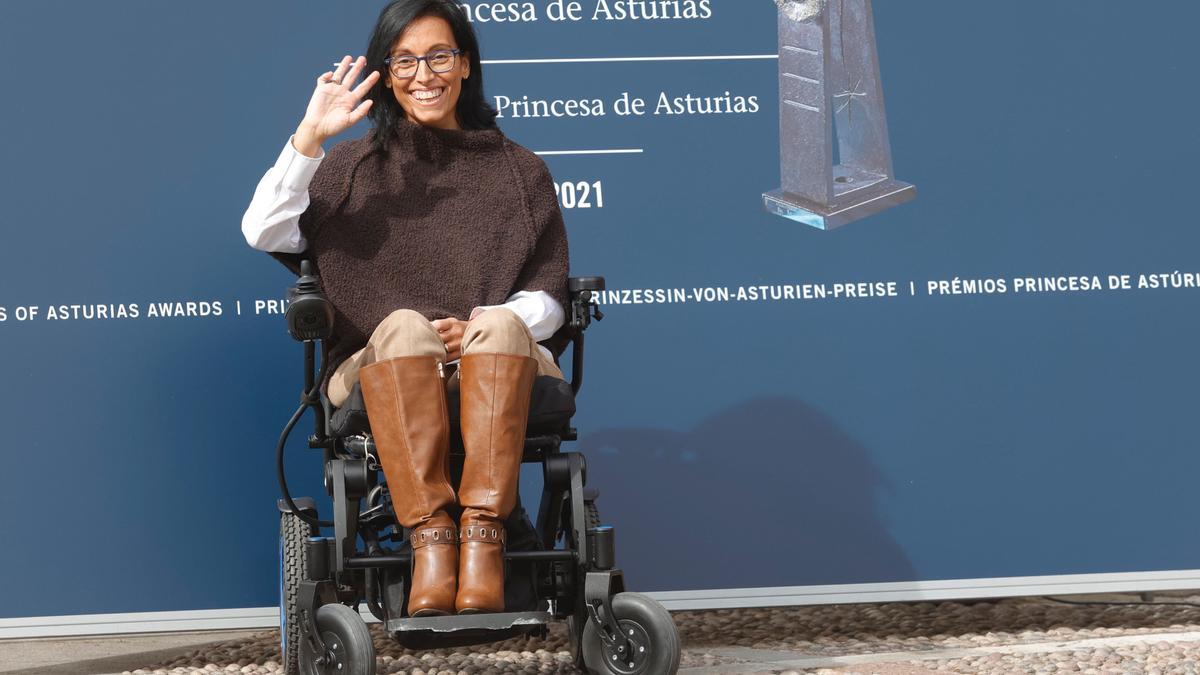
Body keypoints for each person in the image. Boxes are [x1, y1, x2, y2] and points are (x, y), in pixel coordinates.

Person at [241, 0, 569, 617]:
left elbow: (550, 296)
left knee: (500, 320)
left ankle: (483, 539)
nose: (425, 74)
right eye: (406, 61)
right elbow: (264, 229)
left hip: (497, 356)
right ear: (389, 74)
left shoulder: (520, 172)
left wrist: (474, 330)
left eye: (439, 56)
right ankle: (432, 540)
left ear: (465, 65)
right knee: (404, 329)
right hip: (375, 359)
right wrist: (310, 136)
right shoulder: (352, 167)